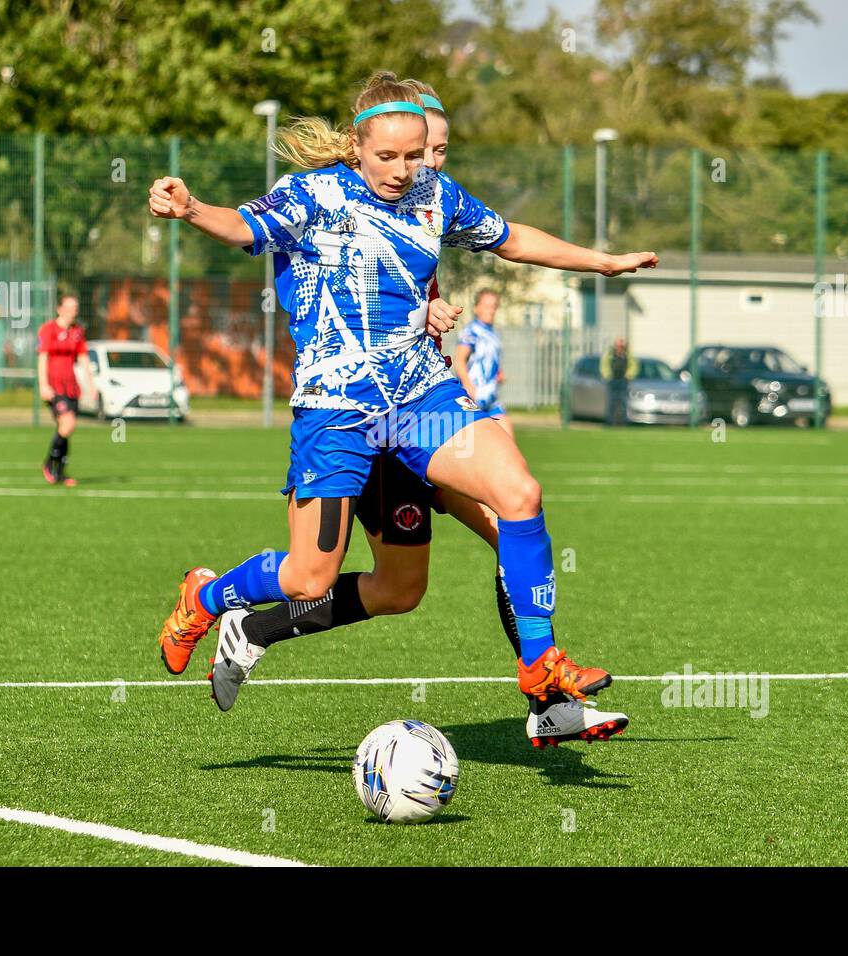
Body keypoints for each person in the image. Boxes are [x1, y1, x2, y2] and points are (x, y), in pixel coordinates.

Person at [147, 72, 658, 736]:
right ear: (357, 145)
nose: (402, 169)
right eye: (387, 156)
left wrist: (603, 263)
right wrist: (190, 208)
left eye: (415, 155)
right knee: (307, 577)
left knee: (520, 496)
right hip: (338, 407)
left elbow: (513, 238)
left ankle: (542, 670)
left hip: (423, 395)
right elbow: (243, 224)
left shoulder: (435, 195)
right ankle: (208, 596)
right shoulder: (314, 193)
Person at [36, 294, 91, 486]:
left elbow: (84, 358)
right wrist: (43, 385)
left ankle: (59, 472)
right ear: (59, 309)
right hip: (55, 387)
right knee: (67, 424)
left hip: (71, 387)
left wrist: (91, 386)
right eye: (68, 308)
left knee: (66, 428)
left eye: (75, 309)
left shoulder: (77, 332)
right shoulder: (48, 329)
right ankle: (49, 464)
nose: (72, 312)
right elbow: (42, 358)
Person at [453, 289, 512, 438]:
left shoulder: (494, 333)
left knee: (508, 441)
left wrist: (498, 373)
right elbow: (459, 360)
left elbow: (489, 361)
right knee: (472, 449)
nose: (491, 310)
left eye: (494, 306)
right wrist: (467, 384)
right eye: (486, 306)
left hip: (490, 398)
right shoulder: (471, 332)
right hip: (473, 399)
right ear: (476, 308)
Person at [601, 336, 636, 426]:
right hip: (612, 380)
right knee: (611, 402)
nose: (620, 347)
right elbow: (604, 365)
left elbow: (633, 366)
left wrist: (628, 376)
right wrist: (607, 376)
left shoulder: (628, 355)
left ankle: (623, 422)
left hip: (623, 381)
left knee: (623, 402)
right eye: (618, 345)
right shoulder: (609, 354)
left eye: (622, 345)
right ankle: (609, 422)